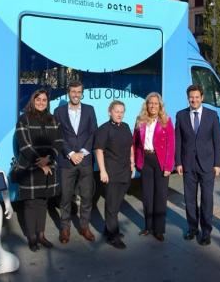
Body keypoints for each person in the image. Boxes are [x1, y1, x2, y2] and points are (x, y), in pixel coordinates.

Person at [14, 89, 64, 252]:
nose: (41, 102)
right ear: (32, 101)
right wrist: (41, 163)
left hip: (49, 166)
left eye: (44, 100)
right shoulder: (24, 119)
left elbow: (58, 142)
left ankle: (41, 235)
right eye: (38, 99)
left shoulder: (53, 119)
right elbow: (25, 145)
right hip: (30, 167)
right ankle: (32, 238)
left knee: (43, 202)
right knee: (30, 204)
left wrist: (48, 159)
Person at [175, 84, 220, 246]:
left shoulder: (212, 115)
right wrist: (178, 162)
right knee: (189, 199)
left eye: (196, 97)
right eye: (191, 97)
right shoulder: (181, 115)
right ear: (188, 98)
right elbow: (178, 141)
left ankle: (206, 231)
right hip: (188, 165)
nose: (193, 100)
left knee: (207, 199)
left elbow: (217, 141)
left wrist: (217, 164)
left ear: (202, 98)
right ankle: (192, 228)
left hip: (207, 165)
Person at [53, 80, 98, 244]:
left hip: (85, 160)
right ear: (68, 93)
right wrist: (71, 153)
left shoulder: (89, 110)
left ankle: (84, 227)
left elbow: (93, 133)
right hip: (67, 161)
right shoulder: (58, 111)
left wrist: (83, 152)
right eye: (73, 92)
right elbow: (58, 136)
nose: (76, 95)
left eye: (79, 92)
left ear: (82, 93)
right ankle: (65, 229)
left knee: (86, 196)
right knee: (65, 197)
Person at [132, 92, 175, 241]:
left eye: (156, 103)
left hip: (160, 161)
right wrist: (136, 161)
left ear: (160, 105)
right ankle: (148, 227)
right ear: (146, 105)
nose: (153, 106)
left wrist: (169, 166)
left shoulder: (166, 121)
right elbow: (135, 142)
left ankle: (159, 229)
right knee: (147, 196)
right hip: (146, 160)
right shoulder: (140, 120)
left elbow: (171, 145)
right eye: (150, 103)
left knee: (160, 196)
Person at [94, 100, 134, 249]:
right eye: (116, 111)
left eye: (122, 111)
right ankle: (113, 236)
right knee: (111, 205)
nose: (119, 114)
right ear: (109, 111)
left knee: (117, 204)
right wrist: (102, 171)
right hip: (111, 172)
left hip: (125, 171)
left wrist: (132, 163)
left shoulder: (125, 127)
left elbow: (130, 145)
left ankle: (108, 229)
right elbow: (99, 150)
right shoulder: (104, 129)